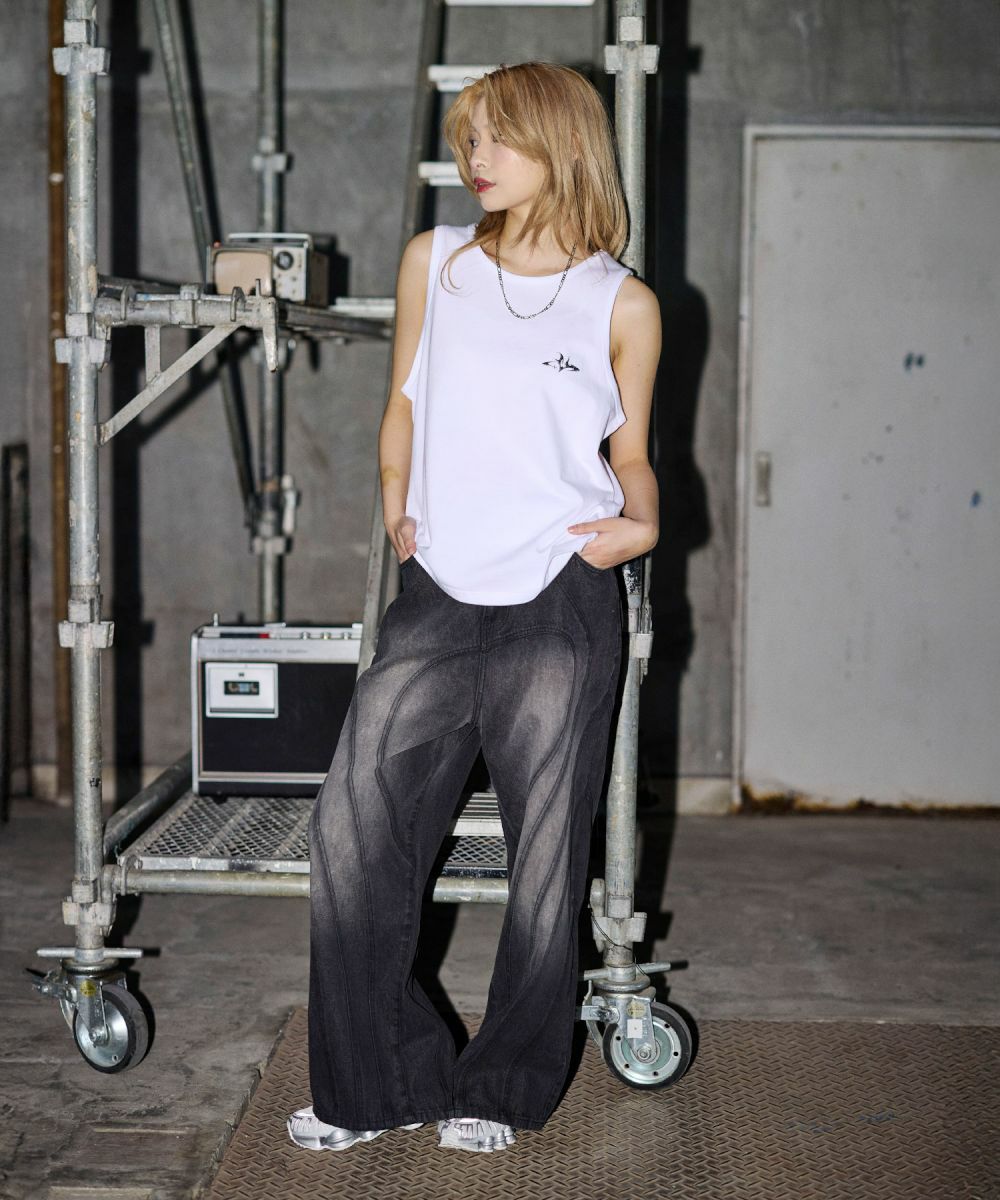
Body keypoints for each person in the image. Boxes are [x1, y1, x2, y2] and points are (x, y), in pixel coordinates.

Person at [287, 60, 660, 1155]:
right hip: (439, 591)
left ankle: (500, 1087)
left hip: (562, 592)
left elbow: (631, 454)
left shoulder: (622, 302)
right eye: (468, 138)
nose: (474, 158)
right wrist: (395, 495)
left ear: (562, 144)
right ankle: (377, 1083)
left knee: (544, 861)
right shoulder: (437, 262)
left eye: (497, 137)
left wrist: (640, 524)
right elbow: (401, 405)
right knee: (351, 830)